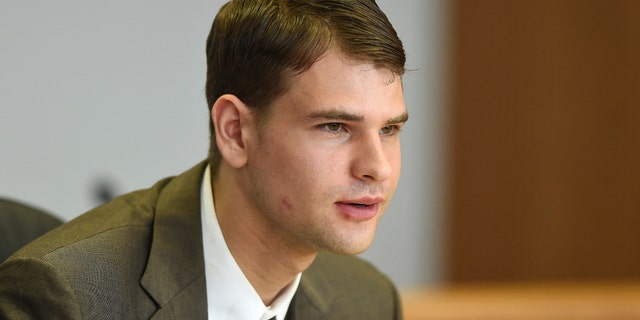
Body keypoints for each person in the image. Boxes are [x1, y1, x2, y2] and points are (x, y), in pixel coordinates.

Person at [0, 0, 408, 318]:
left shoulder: (369, 302)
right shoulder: (66, 299)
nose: (378, 167)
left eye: (389, 129)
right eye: (335, 126)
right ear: (235, 132)